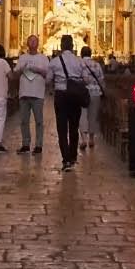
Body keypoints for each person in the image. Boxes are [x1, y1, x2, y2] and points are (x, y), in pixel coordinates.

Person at [50, 34, 88, 171]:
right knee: (74, 127)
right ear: (72, 46)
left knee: (61, 128)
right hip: (75, 96)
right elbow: (86, 78)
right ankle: (73, 157)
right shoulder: (79, 61)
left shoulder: (54, 61)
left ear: (61, 45)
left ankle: (65, 159)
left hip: (61, 95)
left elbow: (48, 79)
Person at [14, 35, 51, 154]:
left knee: (39, 121)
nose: (33, 43)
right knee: (24, 120)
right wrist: (22, 69)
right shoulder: (22, 57)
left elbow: (49, 75)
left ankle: (39, 145)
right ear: (27, 43)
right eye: (31, 41)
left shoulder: (44, 58)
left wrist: (38, 70)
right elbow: (15, 74)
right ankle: (25, 144)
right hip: (24, 92)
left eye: (35, 41)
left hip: (37, 93)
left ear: (38, 43)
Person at [77, 44, 105, 151]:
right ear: (90, 54)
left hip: (82, 92)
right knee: (93, 115)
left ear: (81, 54)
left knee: (82, 115)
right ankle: (91, 139)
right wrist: (102, 90)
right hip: (95, 92)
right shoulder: (96, 65)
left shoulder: (78, 64)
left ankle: (83, 139)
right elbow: (101, 79)